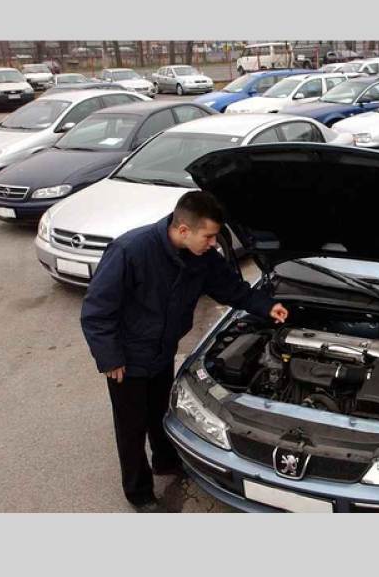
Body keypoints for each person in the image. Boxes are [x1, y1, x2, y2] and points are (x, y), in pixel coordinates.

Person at [81, 191, 288, 512]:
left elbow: (231, 288)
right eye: (207, 236)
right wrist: (110, 357)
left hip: (162, 351)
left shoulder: (203, 257)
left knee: (160, 412)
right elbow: (96, 310)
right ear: (182, 230)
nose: (213, 243)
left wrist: (267, 306)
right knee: (131, 427)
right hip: (127, 360)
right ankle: (139, 493)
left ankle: (165, 461)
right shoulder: (130, 251)